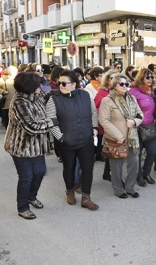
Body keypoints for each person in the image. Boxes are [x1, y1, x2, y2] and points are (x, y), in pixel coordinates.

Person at [4, 72, 56, 219]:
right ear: (29, 87)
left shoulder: (35, 96)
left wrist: (58, 92)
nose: (40, 87)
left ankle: (31, 196)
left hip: (36, 146)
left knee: (40, 172)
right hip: (20, 146)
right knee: (26, 177)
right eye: (37, 85)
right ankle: (22, 207)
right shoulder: (19, 102)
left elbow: (45, 97)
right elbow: (31, 126)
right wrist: (52, 123)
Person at [46, 70, 99, 210]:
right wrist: (61, 137)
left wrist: (94, 128)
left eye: (64, 83)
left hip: (86, 139)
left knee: (88, 168)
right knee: (69, 168)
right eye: (59, 83)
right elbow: (51, 120)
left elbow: (93, 112)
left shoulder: (85, 95)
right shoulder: (54, 98)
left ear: (74, 84)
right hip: (66, 142)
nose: (61, 86)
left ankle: (86, 198)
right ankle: (69, 191)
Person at [99, 74, 143, 198]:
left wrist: (135, 122)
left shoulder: (132, 98)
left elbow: (140, 114)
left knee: (134, 163)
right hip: (116, 139)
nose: (125, 86)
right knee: (116, 166)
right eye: (121, 84)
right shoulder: (107, 100)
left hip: (131, 138)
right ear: (114, 85)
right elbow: (104, 120)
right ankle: (118, 189)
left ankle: (130, 187)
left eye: (126, 84)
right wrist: (118, 136)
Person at [129, 68, 156, 187]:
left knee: (152, 151)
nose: (150, 79)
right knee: (138, 154)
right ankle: (139, 176)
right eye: (148, 77)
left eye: (152, 77)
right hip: (138, 127)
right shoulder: (133, 91)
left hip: (150, 126)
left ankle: (147, 173)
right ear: (141, 78)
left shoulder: (151, 91)